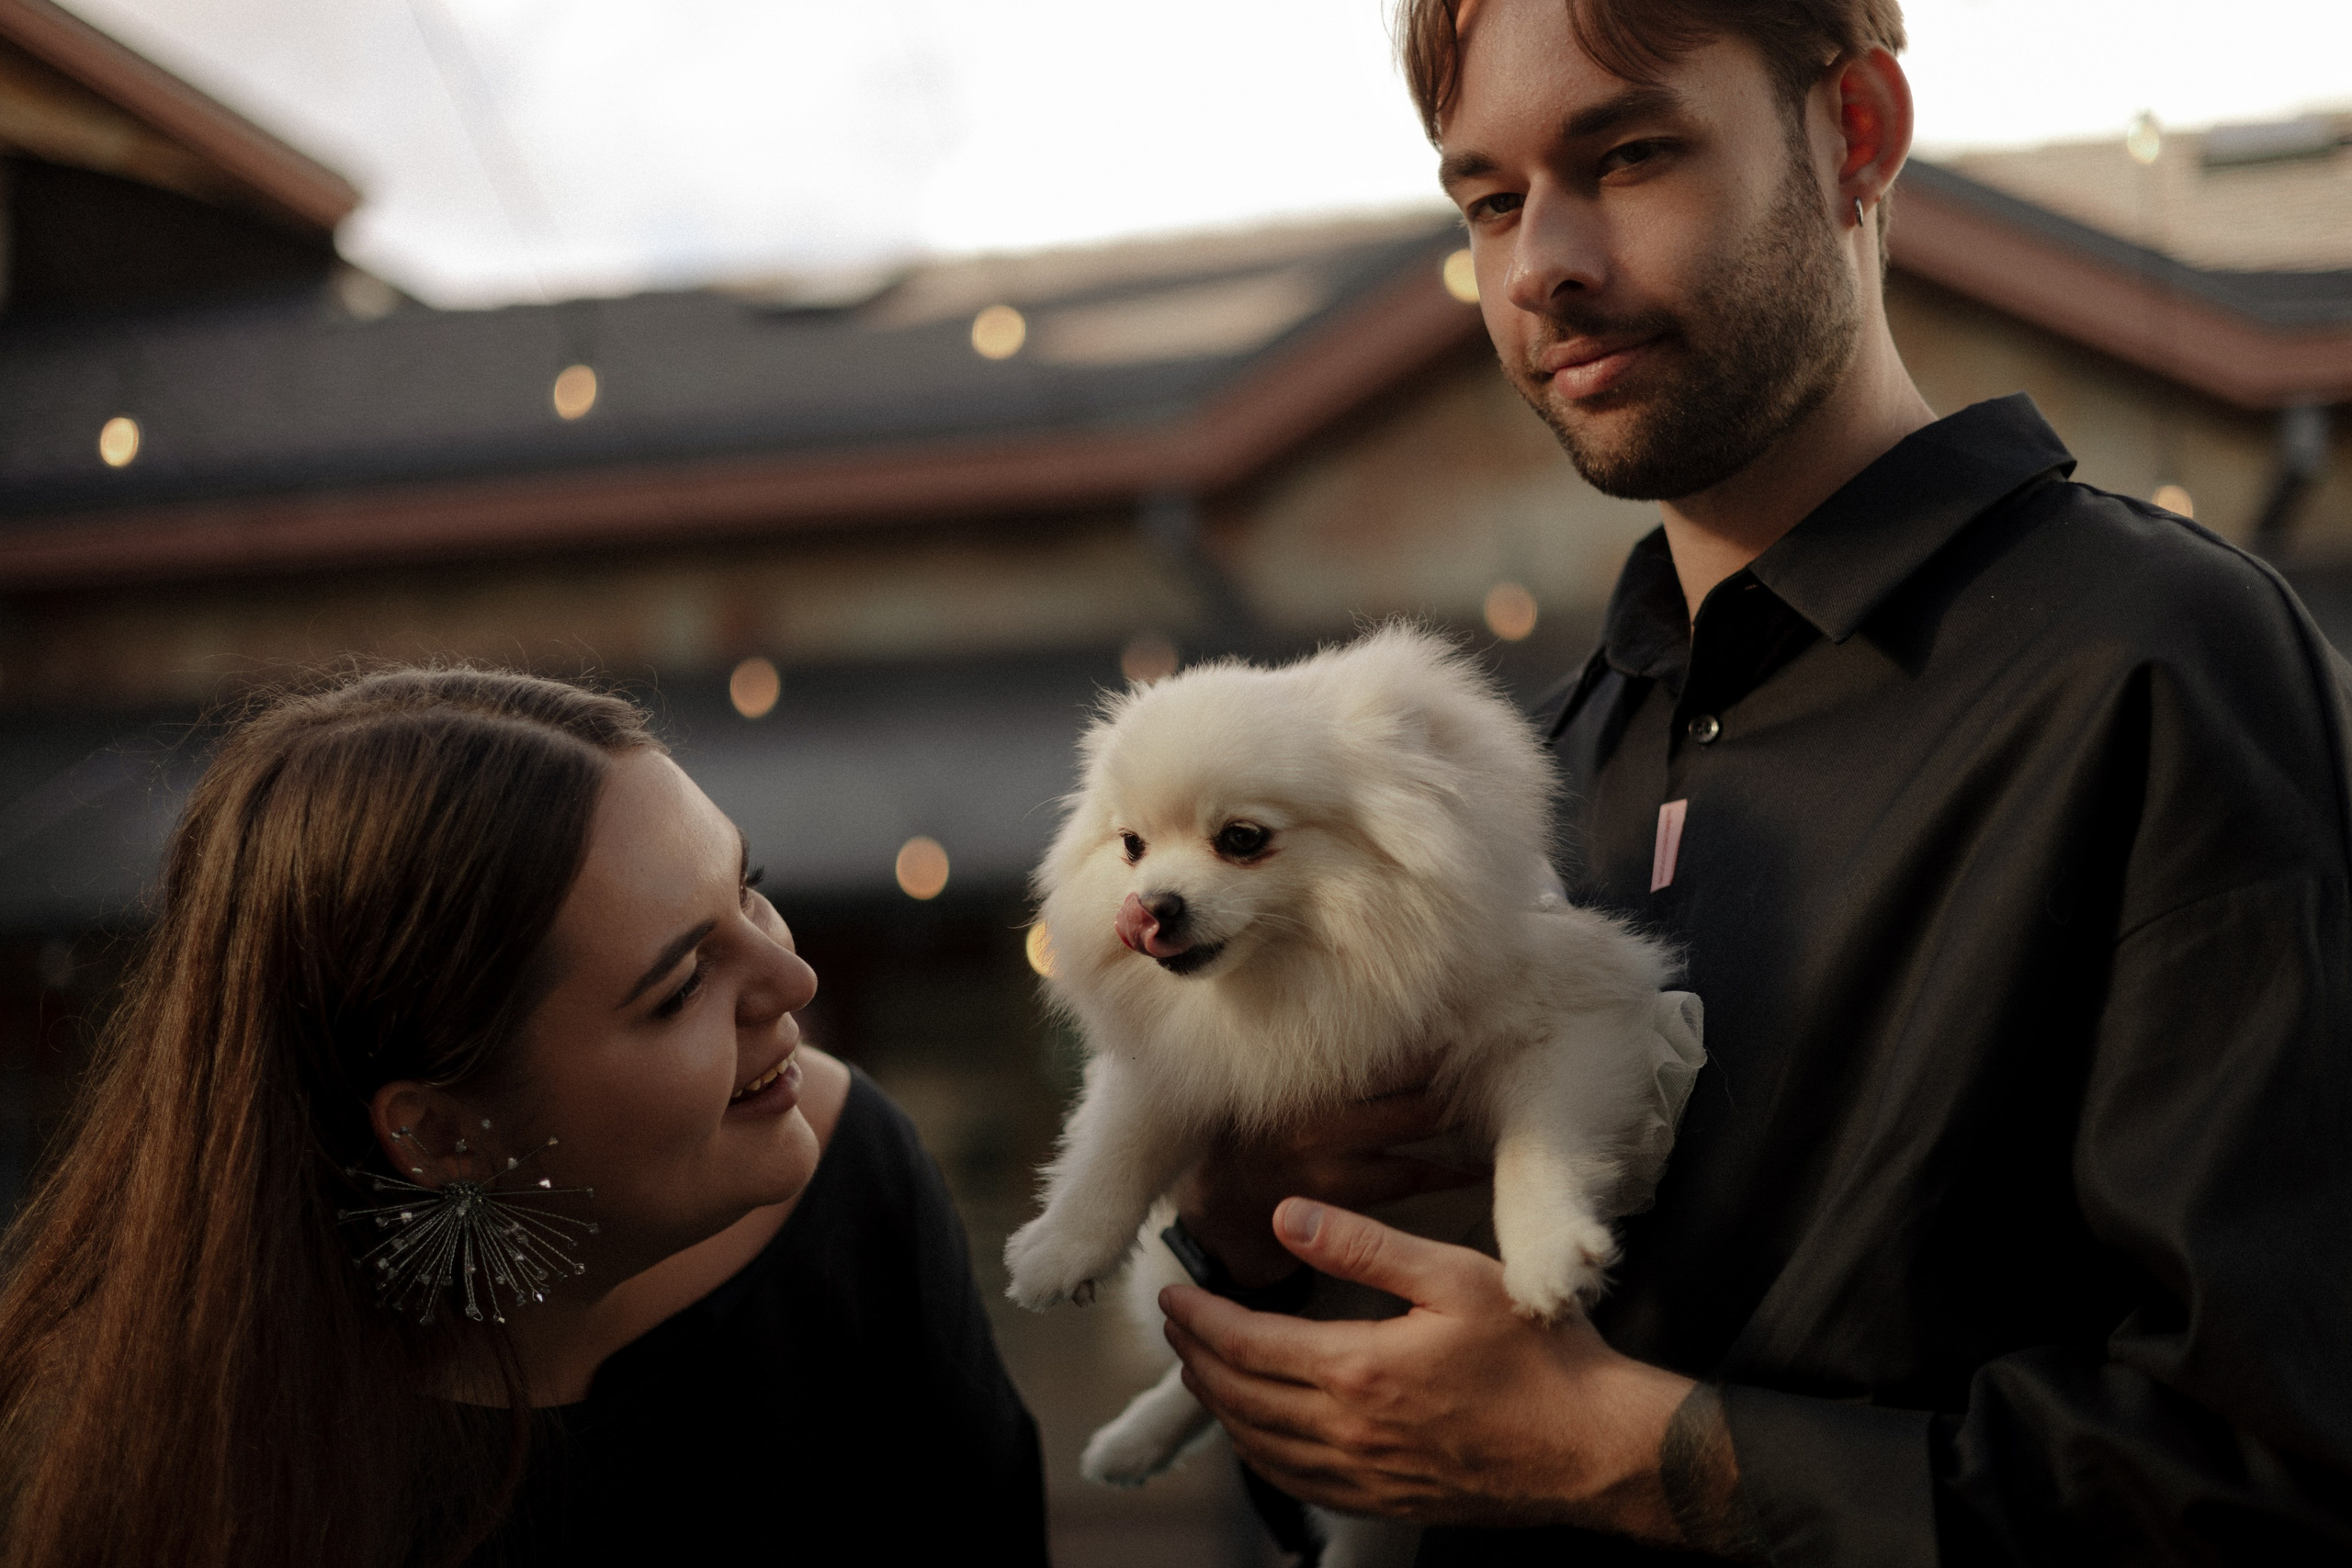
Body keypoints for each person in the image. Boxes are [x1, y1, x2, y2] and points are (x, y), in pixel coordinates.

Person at [1158, 0, 2352, 1562]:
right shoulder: (1532, 777)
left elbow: (2267, 1469)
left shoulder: (2154, 659)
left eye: (1631, 152)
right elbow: (1356, 1471)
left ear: (1855, 133)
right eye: (1490, 200)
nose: (1539, 267)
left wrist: (1632, 1455)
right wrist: (1258, 1227)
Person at [0, 669, 1047, 1568]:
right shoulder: (168, 1451)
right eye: (682, 984)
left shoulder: (855, 1181)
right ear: (444, 1135)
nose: (793, 975)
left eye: (750, 889)